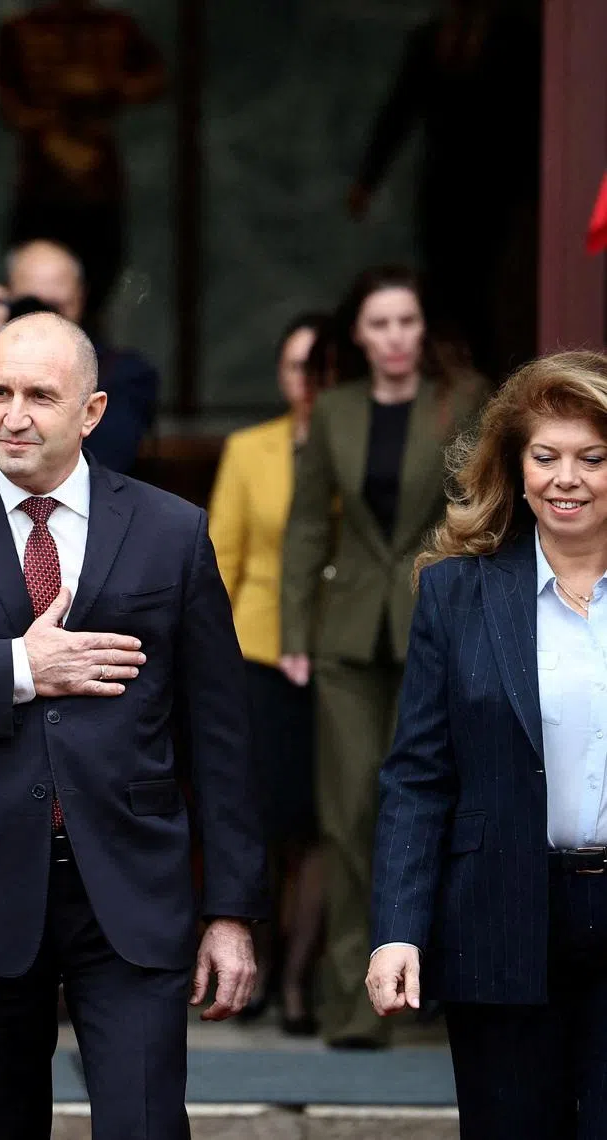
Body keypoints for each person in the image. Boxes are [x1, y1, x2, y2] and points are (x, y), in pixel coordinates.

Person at [0, 311, 267, 1140]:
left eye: (39, 395)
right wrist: (20, 669)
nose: (13, 415)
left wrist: (233, 911)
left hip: (129, 887)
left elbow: (221, 736)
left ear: (92, 412)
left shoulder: (171, 532)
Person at [367, 350, 607, 1137]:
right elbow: (418, 778)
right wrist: (398, 928)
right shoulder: (456, 591)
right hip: (498, 920)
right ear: (516, 464)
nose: (565, 478)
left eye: (592, 458)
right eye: (546, 456)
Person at [279, 265, 486, 1048]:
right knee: (348, 813)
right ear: (358, 336)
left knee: (436, 805)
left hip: (441, 626)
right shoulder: (332, 411)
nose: (396, 338)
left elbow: (487, 511)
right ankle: (355, 1000)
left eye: (407, 322)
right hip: (346, 634)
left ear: (422, 330)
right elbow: (305, 527)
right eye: (380, 324)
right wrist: (294, 631)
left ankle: (432, 979)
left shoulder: (463, 402)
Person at [207, 312, 329, 1035]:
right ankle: (247, 971)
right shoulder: (249, 449)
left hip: (330, 657)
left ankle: (296, 981)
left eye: (319, 366)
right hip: (254, 654)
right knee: (255, 824)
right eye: (294, 366)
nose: (307, 380)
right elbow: (221, 558)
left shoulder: (353, 442)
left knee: (316, 830)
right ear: (280, 376)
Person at [347, 0, 540, 379]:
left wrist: (532, 193)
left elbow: (532, 119)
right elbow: (397, 112)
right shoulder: (431, 38)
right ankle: (446, 375)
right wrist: (367, 181)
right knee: (441, 287)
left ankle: (490, 381)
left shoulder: (515, 38)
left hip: (498, 194)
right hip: (441, 190)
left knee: (489, 293)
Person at [0, 238, 158, 481]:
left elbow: (105, 464)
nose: (42, 318)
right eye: (30, 304)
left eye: (54, 306)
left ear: (80, 300)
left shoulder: (121, 373)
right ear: (6, 298)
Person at [0, 0, 167, 318]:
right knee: (32, 296)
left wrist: (104, 91)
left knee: (96, 296)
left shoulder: (115, 28)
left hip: (97, 190)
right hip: (41, 189)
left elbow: (155, 79)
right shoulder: (19, 31)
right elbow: (7, 105)